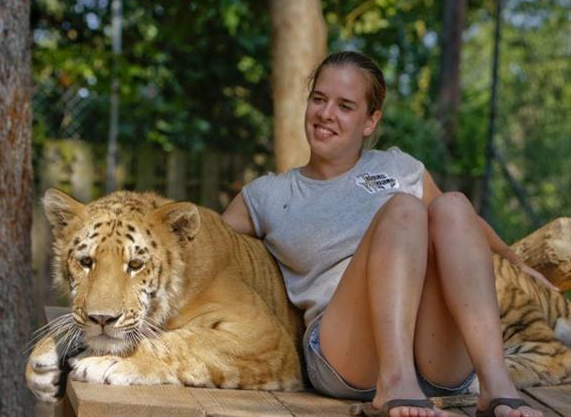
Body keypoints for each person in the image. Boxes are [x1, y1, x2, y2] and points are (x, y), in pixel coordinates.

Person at [222, 51, 553, 417]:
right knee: (405, 210)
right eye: (319, 99)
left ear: (370, 120)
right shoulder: (268, 195)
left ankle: (496, 385)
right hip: (346, 355)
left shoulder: (399, 166)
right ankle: (395, 382)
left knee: (454, 205)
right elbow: (206, 246)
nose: (325, 114)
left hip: (432, 355)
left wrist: (516, 262)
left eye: (345, 106)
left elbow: (465, 227)